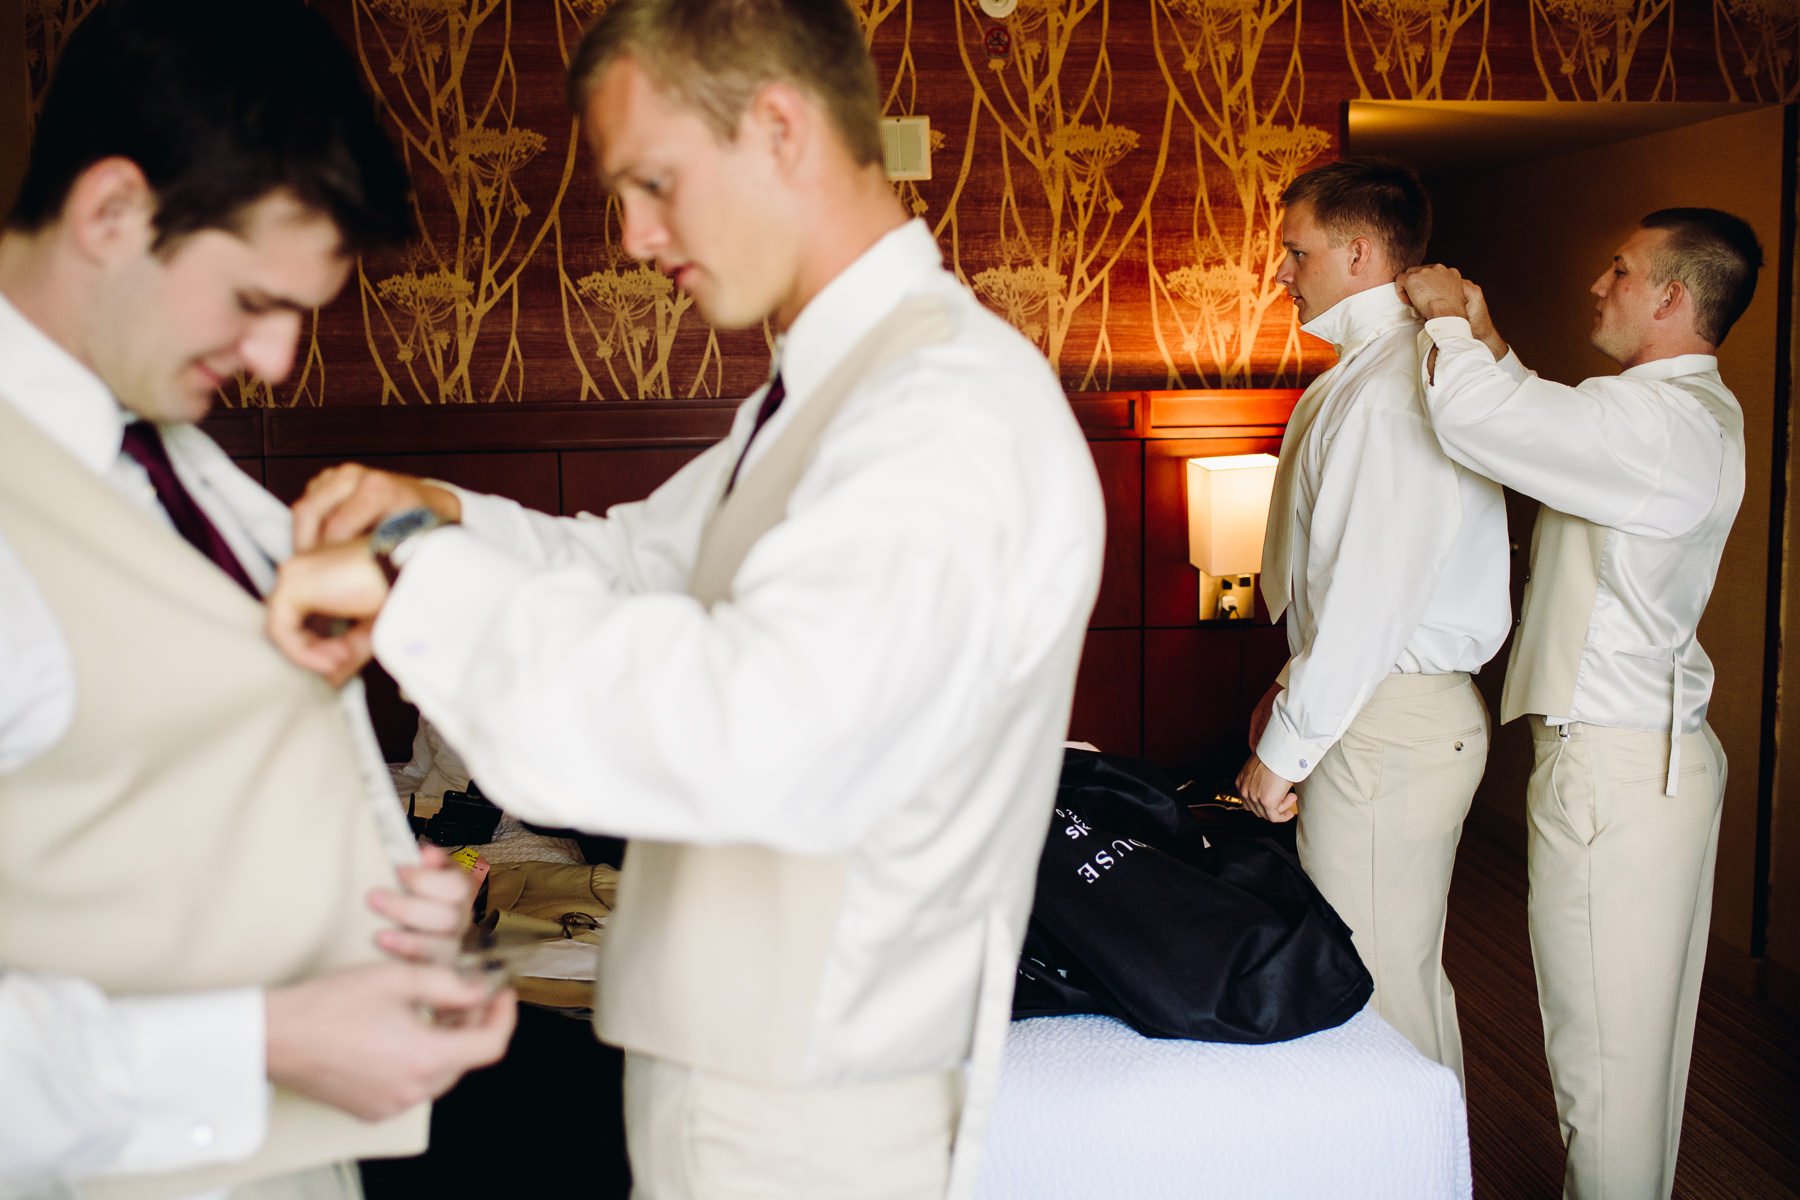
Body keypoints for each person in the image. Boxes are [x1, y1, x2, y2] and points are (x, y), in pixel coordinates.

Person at [261, 0, 1106, 1196]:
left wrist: (413, 576)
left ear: (777, 127)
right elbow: (641, 562)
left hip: (805, 1106)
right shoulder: (833, 394)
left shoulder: (940, 419)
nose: (633, 234)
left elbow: (739, 730)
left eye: (653, 181)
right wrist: (436, 516)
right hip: (745, 1076)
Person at [0, 3, 515, 1196]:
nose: (281, 362)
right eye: (254, 302)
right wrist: (269, 1042)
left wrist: (379, 906)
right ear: (112, 212)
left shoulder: (175, 459)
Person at [1400, 206, 1762, 1200]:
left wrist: (1441, 322)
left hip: (1614, 772)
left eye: (1621, 270)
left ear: (1672, 297)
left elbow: (1488, 426)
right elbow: (1553, 426)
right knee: (1635, 1072)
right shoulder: (1682, 414)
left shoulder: (1652, 425)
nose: (1600, 286)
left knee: (1604, 1078)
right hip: (1650, 762)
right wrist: (1492, 344)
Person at [1233, 157, 1510, 1082]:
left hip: (1392, 720)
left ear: (1357, 252)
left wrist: (1284, 752)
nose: (1280, 272)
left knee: (1382, 995)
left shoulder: (1393, 388)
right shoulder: (1361, 373)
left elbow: (1371, 595)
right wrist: (1287, 691)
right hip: (1371, 705)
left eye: (1294, 250)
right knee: (1370, 978)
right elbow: (1339, 580)